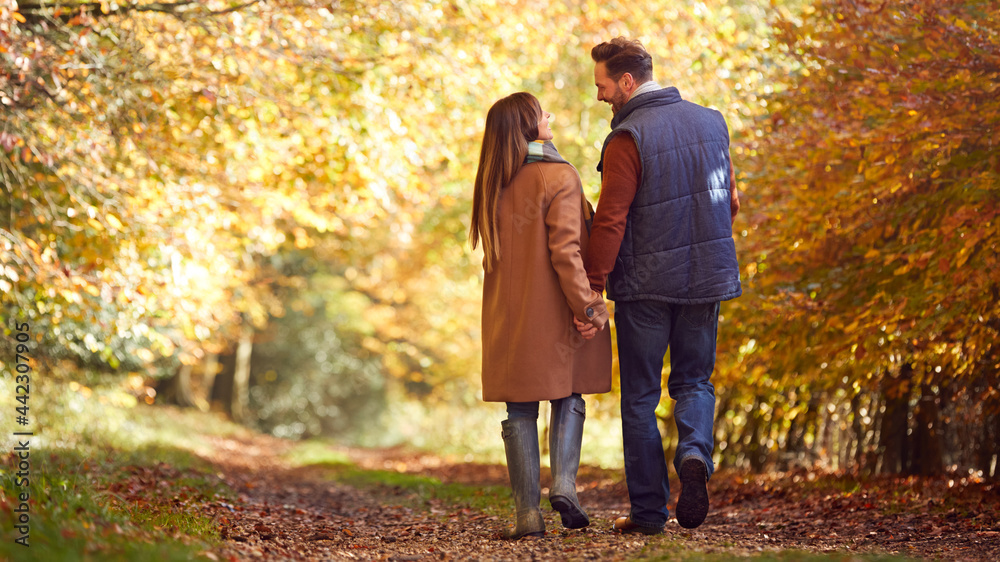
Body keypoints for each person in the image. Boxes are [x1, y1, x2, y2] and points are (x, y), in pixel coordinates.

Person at [581, 37, 741, 534]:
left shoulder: (629, 137)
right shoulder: (712, 122)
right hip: (707, 278)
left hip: (645, 287)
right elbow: (730, 202)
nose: (601, 97)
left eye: (603, 86)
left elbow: (611, 221)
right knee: (694, 382)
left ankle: (649, 514)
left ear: (627, 82)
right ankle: (694, 453)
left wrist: (590, 286)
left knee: (640, 399)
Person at [470, 92, 613, 539]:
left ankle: (526, 516)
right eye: (541, 113)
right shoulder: (559, 176)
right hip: (557, 312)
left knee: (520, 406)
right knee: (568, 393)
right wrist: (588, 307)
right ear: (527, 126)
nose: (549, 116)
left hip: (508, 318)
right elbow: (567, 253)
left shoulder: (492, 182)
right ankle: (565, 485)